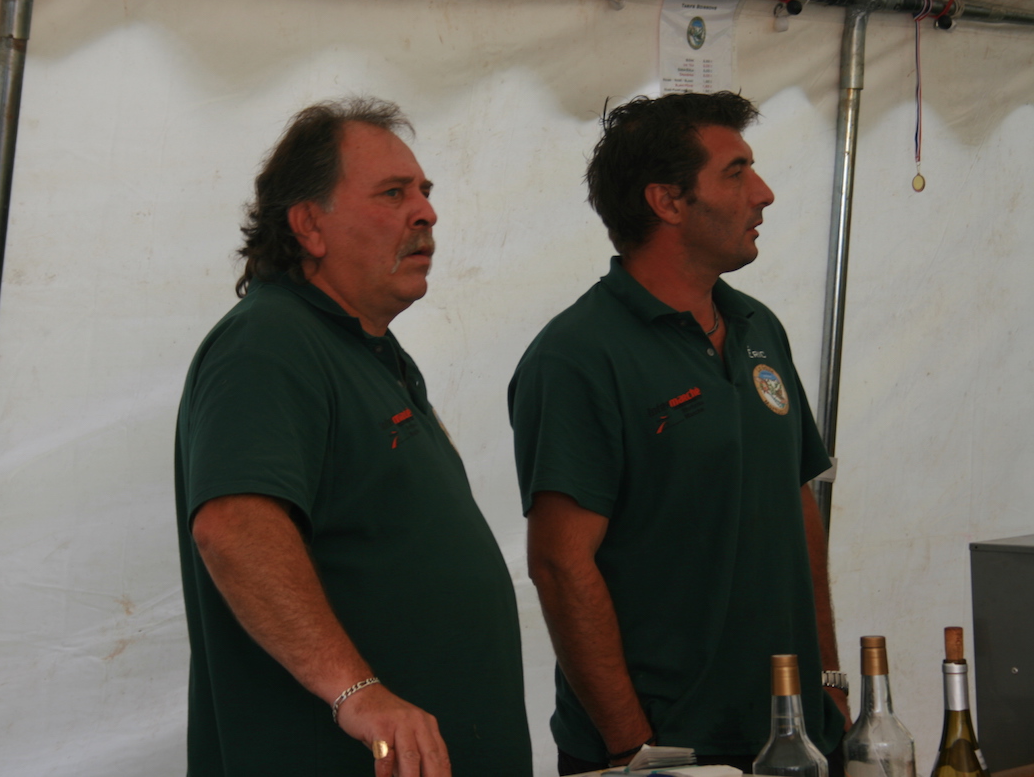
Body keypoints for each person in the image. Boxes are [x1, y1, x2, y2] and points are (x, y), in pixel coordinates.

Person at [175, 97, 532, 777]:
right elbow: (234, 526)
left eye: (425, 191)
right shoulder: (269, 341)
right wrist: (357, 692)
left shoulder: (370, 352)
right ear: (309, 224)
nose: (425, 212)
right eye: (394, 193)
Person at [508, 92, 849, 776]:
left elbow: (797, 504)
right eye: (736, 172)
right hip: (669, 750)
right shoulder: (578, 355)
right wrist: (635, 750)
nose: (764, 193)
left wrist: (829, 679)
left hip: (793, 733)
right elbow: (560, 564)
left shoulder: (758, 326)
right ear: (666, 201)